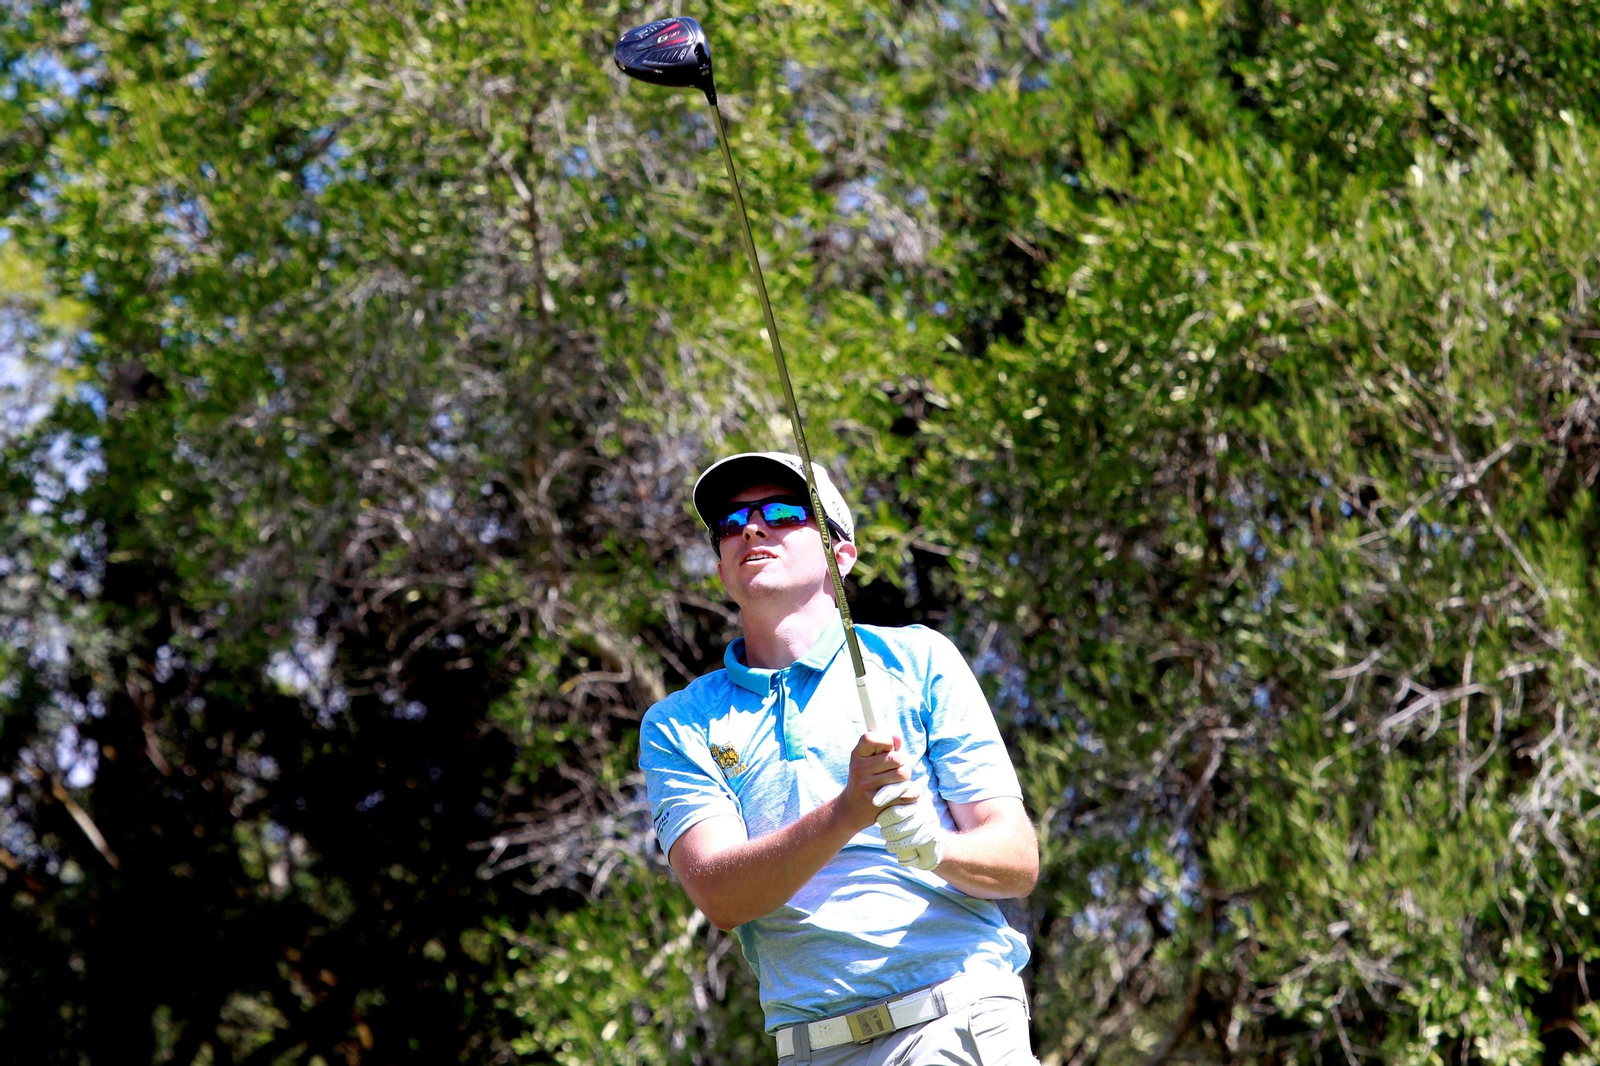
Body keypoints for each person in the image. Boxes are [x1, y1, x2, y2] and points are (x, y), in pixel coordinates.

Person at [639, 451, 1040, 1065]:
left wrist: (936, 847)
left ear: (841, 555)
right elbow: (722, 896)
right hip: (812, 1048)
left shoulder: (920, 659)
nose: (752, 528)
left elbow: (1016, 860)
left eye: (781, 512)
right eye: (731, 522)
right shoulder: (679, 724)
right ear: (720, 563)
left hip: (955, 1019)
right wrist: (849, 811)